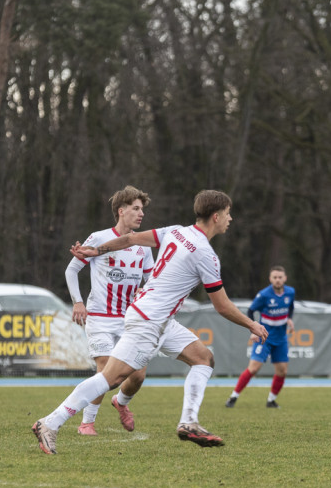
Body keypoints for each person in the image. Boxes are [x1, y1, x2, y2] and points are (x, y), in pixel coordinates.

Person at [30, 190, 268, 454]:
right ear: (215, 216)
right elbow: (222, 306)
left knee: (203, 358)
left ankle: (189, 422)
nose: (230, 219)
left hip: (157, 318)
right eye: (227, 214)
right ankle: (50, 422)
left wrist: (97, 250)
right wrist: (252, 325)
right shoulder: (206, 255)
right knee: (111, 377)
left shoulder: (176, 231)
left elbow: (130, 239)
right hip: (149, 319)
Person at [64, 185, 159, 435]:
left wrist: (145, 291)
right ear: (121, 211)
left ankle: (121, 403)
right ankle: (87, 422)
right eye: (136, 209)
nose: (141, 214)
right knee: (106, 369)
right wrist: (78, 301)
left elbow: (151, 279)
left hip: (130, 320)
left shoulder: (143, 246)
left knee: (137, 375)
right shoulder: (98, 238)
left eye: (142, 210)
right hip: (100, 317)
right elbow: (71, 270)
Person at [225, 266, 295, 409]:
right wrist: (253, 329)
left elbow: (290, 307)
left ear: (285, 278)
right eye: (274, 277)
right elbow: (251, 311)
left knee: (282, 371)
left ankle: (271, 401)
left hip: (281, 338)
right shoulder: (263, 295)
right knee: (254, 368)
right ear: (270, 279)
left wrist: (289, 319)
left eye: (280, 277)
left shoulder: (290, 292)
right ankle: (233, 397)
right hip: (264, 337)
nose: (277, 280)